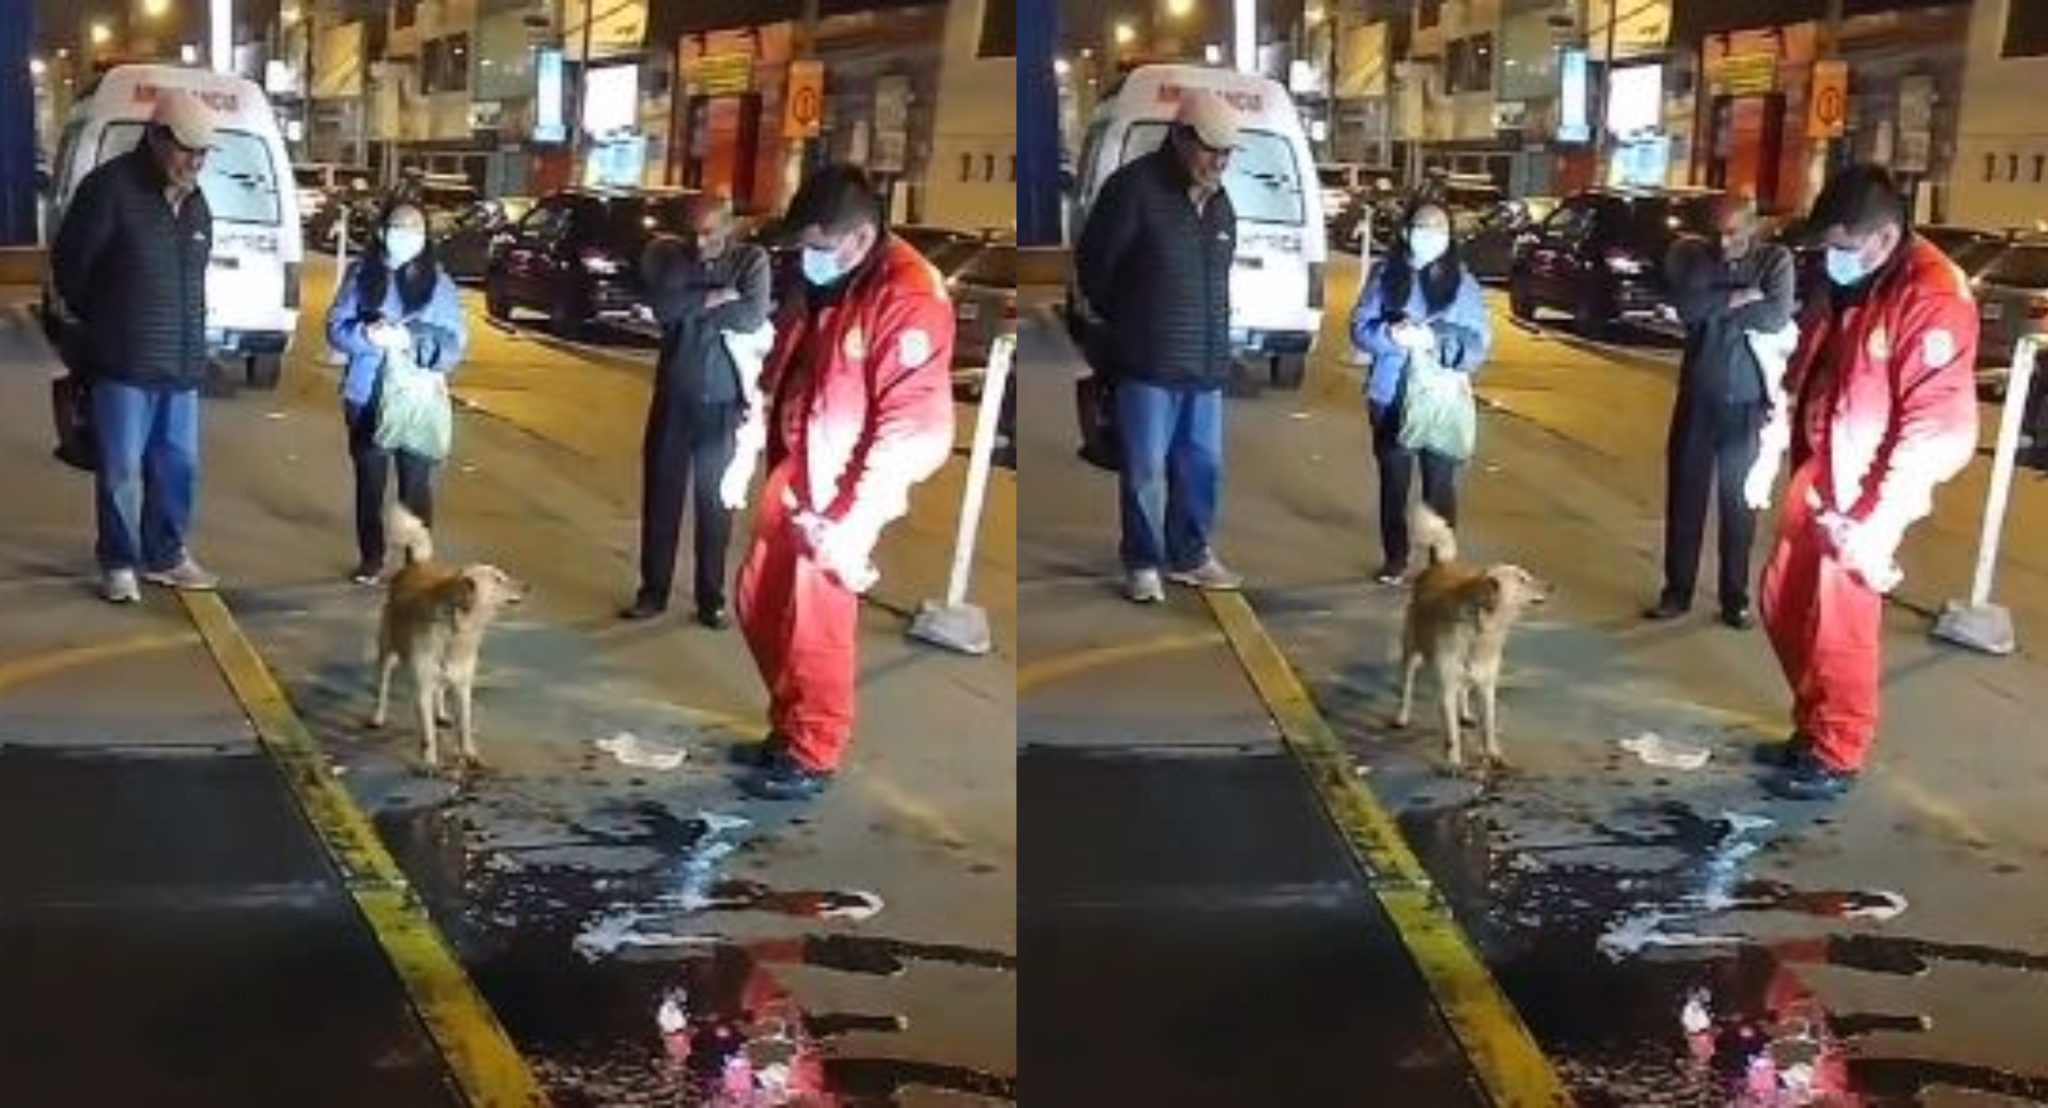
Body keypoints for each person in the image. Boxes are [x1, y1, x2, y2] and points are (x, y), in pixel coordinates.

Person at [727, 166, 956, 802]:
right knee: (759, 602)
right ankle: (788, 726)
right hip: (800, 463)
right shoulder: (828, 280)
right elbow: (793, 357)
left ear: (857, 239)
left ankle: (812, 750)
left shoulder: (907, 296)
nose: (805, 259)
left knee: (816, 624)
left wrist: (858, 520)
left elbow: (915, 428)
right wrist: (755, 428)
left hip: (843, 487)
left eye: (817, 247)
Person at [1753, 165, 1979, 801]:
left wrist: (1882, 520)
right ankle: (1812, 726)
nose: (1829, 260)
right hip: (1824, 462)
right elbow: (1817, 355)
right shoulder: (1854, 279)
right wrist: (1780, 425)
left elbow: (1939, 428)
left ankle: (1836, 750)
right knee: (1783, 602)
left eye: (1841, 248)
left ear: (1881, 240)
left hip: (1867, 486)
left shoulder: (1931, 296)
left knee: (1840, 623)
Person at [1074, 89, 1245, 604]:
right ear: (1179, 138)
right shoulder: (1133, 190)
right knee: (1145, 469)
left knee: (1202, 466)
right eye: (1210, 149)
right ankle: (1143, 561)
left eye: (1227, 154)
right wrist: (1128, 327)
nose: (1218, 162)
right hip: (1146, 363)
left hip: (1206, 366)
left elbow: (1219, 282)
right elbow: (1094, 267)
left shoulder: (1220, 207)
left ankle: (1190, 555)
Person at [50, 90, 222, 603]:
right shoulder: (108, 190)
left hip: (182, 365)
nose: (194, 162)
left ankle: (166, 556)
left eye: (203, 153)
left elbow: (195, 282)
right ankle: (119, 561)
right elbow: (70, 266)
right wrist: (104, 326)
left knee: (178, 466)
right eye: (186, 150)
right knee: (121, 469)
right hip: (122, 363)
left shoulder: (196, 206)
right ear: (155, 138)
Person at [621, 195, 773, 629]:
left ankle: (711, 597)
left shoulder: (750, 261)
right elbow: (664, 308)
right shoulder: (671, 256)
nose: (699, 242)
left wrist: (693, 306)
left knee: (715, 504)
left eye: (708, 233)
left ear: (729, 227)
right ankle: (653, 591)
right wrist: (715, 299)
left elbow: (751, 315)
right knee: (661, 500)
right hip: (674, 396)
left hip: (724, 403)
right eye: (692, 233)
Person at [1646, 196, 1796, 629]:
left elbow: (1775, 315)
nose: (1723, 242)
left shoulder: (1774, 260)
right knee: (1685, 499)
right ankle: (1677, 591)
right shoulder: (1695, 256)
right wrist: (1739, 299)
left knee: (1739, 503)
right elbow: (1687, 308)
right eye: (1716, 234)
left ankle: (1735, 597)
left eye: (1732, 233)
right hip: (1698, 396)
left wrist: (1717, 305)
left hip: (1748, 403)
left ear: (1753, 227)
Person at [1348, 200, 1493, 583]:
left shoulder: (1464, 285)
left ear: (1449, 237)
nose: (1429, 235)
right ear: (1407, 232)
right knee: (1394, 483)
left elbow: (1478, 346)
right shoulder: (1385, 276)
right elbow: (1360, 329)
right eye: (1421, 227)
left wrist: (1435, 338)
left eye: (1438, 228)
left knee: (1439, 484)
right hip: (1390, 395)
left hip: (1440, 399)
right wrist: (1391, 336)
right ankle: (1395, 559)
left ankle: (1440, 565)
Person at [325, 201, 469, 583]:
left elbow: (454, 346)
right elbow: (336, 328)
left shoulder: (440, 285)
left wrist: (412, 339)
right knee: (370, 483)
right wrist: (368, 336)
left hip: (416, 399)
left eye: (415, 228)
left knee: (416, 485)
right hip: (366, 395)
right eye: (398, 227)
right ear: (382, 232)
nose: (406, 235)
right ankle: (371, 559)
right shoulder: (361, 276)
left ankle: (416, 565)